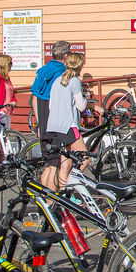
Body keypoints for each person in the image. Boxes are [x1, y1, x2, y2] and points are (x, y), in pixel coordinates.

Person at [43, 52, 94, 191]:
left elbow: (51, 104)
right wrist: (86, 99)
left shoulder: (57, 80)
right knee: (85, 159)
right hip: (68, 126)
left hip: (54, 125)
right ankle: (71, 186)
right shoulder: (75, 81)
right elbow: (81, 106)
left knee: (65, 162)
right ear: (80, 66)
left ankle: (62, 195)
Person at [31, 41, 70, 146]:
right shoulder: (63, 73)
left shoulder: (43, 70)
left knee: (47, 152)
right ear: (65, 56)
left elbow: (35, 97)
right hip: (57, 117)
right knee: (60, 153)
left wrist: (40, 123)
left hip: (43, 114)